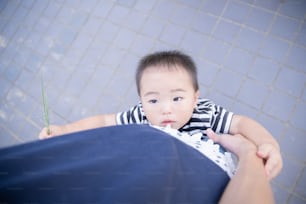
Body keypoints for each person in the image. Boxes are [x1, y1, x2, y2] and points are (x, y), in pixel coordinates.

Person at [39, 50, 282, 180]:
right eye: (153, 100)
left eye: (177, 98)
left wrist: (267, 143)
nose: (166, 109)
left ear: (195, 98)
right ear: (142, 101)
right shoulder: (142, 115)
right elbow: (103, 121)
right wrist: (66, 131)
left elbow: (241, 122)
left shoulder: (204, 113)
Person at [207, 129, 275, 204]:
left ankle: (248, 151)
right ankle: (249, 151)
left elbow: (240, 122)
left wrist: (269, 143)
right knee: (252, 155)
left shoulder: (201, 119)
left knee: (253, 155)